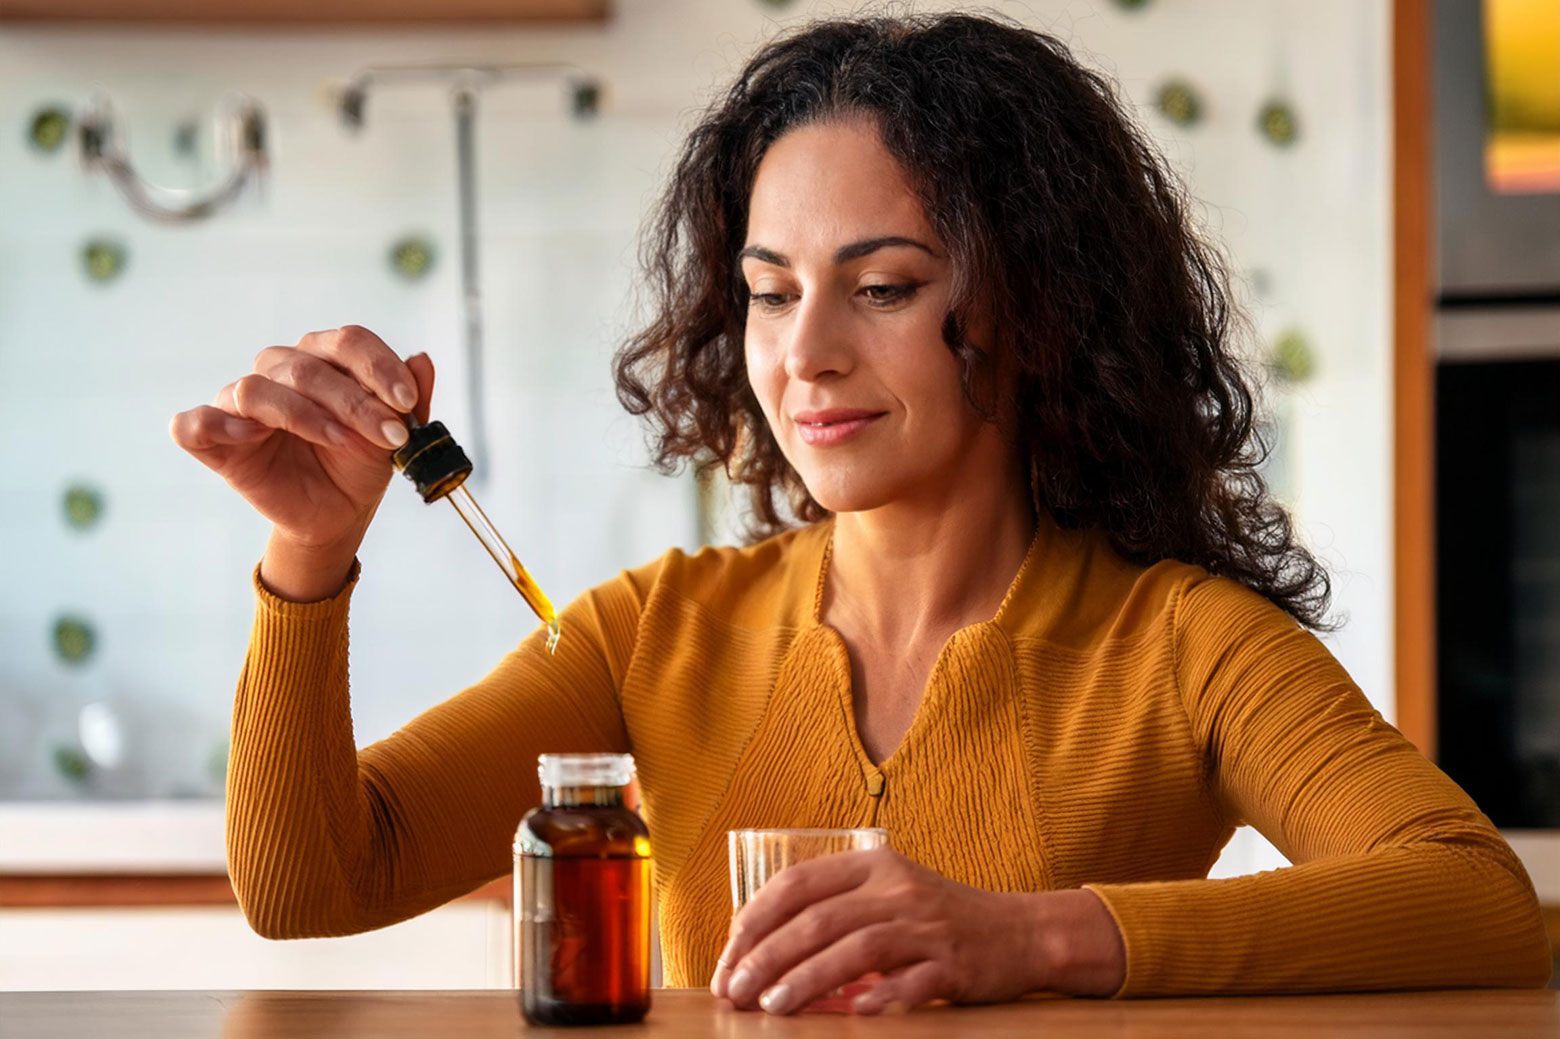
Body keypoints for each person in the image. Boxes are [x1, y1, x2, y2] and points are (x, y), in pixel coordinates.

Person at [169, 11, 1551, 1015]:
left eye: (881, 285)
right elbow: (312, 889)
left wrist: (1030, 942)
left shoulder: (1182, 643)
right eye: (772, 289)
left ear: (1035, 307)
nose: (805, 351)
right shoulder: (656, 632)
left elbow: (1478, 899)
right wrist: (310, 553)